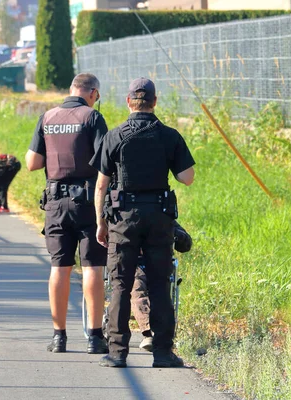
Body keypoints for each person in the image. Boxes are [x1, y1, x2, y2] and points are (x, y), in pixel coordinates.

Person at [91, 77, 195, 368]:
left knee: (121, 283)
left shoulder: (115, 135)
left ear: (128, 102)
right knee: (160, 284)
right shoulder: (169, 135)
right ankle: (162, 353)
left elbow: (100, 186)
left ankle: (117, 353)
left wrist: (100, 222)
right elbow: (187, 178)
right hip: (159, 218)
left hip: (122, 218)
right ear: (155, 102)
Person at [25, 73, 109, 354]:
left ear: (71, 89)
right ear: (93, 94)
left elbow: (32, 163)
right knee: (92, 267)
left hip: (55, 203)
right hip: (87, 203)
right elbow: (105, 164)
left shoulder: (47, 117)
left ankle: (59, 337)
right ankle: (95, 338)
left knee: (59, 267)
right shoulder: (92, 118)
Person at [132, 221, 193, 352]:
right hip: (134, 265)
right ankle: (149, 333)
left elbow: (186, 244)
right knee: (137, 288)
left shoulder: (163, 217)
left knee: (160, 290)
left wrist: (174, 234)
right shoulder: (128, 217)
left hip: (159, 263)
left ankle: (160, 334)